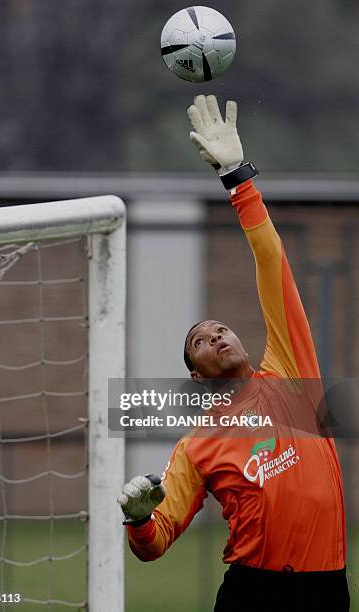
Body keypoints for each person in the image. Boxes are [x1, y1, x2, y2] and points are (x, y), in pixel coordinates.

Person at [117, 95, 350, 611]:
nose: (218, 336)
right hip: (254, 593)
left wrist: (237, 178)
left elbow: (271, 260)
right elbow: (156, 543)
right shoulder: (199, 445)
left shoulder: (291, 369)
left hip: (328, 588)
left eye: (220, 328)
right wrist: (137, 520)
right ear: (198, 377)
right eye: (201, 340)